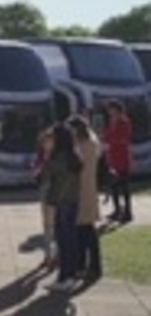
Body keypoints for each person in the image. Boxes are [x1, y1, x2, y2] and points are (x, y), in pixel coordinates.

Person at [44, 123, 82, 292]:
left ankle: (65, 276)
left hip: (61, 201)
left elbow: (44, 176)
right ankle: (70, 275)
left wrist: (47, 155)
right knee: (70, 240)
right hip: (73, 200)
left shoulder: (57, 158)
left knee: (63, 240)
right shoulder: (73, 155)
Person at [68, 115, 103, 281]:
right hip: (88, 188)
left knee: (86, 231)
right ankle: (85, 265)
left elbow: (75, 166)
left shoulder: (81, 146)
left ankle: (91, 266)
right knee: (85, 229)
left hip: (82, 189)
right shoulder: (92, 142)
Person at [104, 100, 133, 223]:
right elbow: (107, 136)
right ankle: (116, 210)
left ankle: (128, 211)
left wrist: (110, 142)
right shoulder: (111, 122)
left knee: (124, 186)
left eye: (111, 109)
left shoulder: (124, 122)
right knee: (114, 185)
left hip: (122, 156)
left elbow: (123, 138)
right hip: (112, 157)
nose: (110, 112)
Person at [33, 128, 57, 270]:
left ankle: (55, 256)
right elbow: (35, 171)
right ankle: (48, 255)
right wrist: (40, 167)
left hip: (57, 190)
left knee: (55, 224)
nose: (44, 145)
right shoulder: (41, 155)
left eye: (47, 142)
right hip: (45, 189)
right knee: (47, 224)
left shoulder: (58, 155)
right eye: (43, 143)